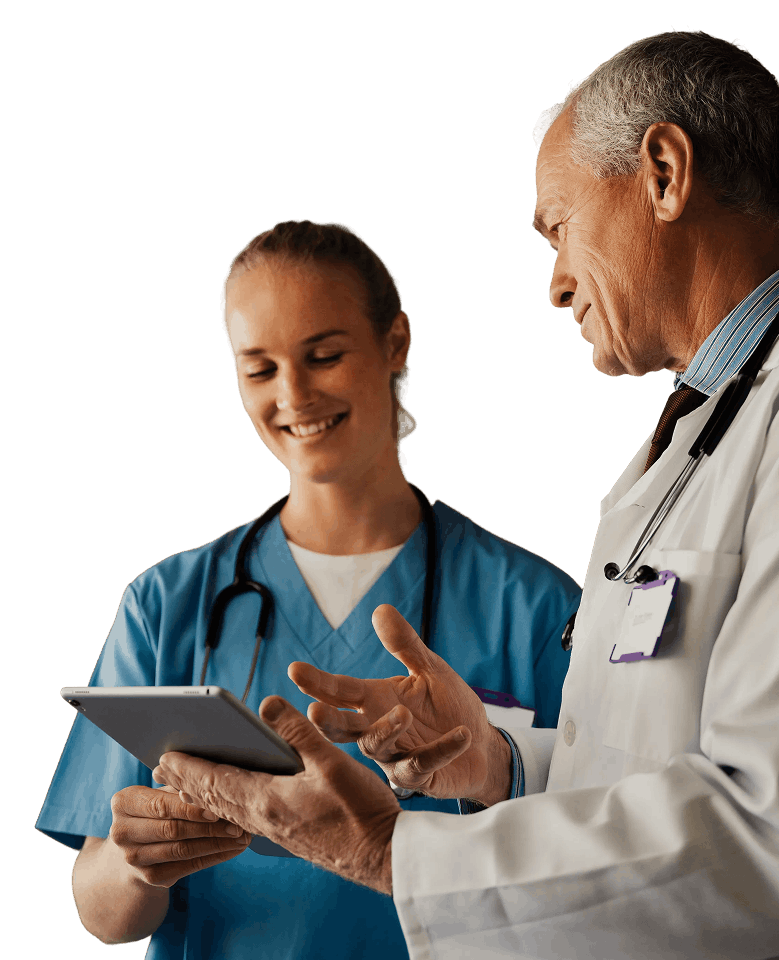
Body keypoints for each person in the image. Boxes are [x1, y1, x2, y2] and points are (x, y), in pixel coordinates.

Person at [151, 34, 779, 959]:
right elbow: (663, 772)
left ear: (663, 172)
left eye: (560, 227)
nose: (556, 283)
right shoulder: (704, 435)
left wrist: (391, 851)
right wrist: (500, 765)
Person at [36, 220, 581, 958]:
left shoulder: (538, 608)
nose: (294, 395)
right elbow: (104, 914)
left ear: (396, 342)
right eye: (259, 370)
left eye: (323, 355)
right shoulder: (167, 604)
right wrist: (138, 864)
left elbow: (598, 859)